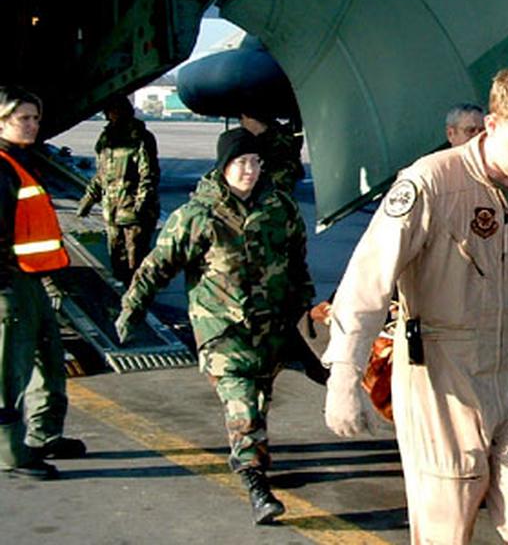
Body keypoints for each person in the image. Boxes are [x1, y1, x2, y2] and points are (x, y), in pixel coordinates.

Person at [322, 64, 508, 543]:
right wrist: (343, 374)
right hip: (441, 374)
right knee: (445, 528)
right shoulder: (432, 183)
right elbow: (367, 279)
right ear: (492, 126)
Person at [114, 128, 316, 524]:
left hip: (269, 334)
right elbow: (157, 266)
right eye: (241, 162)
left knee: (257, 401)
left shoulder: (280, 208)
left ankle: (254, 456)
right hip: (223, 334)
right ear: (223, 166)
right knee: (242, 406)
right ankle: (256, 483)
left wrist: (305, 309)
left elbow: (296, 263)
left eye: (256, 162)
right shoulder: (198, 217)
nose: (250, 170)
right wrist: (131, 310)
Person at [0, 86, 86, 481]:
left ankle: (45, 434)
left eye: (35, 118)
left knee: (48, 359)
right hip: (9, 283)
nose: (33, 125)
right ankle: (11, 455)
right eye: (24, 119)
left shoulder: (22, 161)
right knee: (8, 372)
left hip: (32, 279)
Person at [76, 95, 160, 285]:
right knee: (116, 257)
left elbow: (149, 176)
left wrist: (140, 207)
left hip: (133, 213)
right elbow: (102, 174)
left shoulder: (140, 138)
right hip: (112, 211)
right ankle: (122, 293)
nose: (112, 115)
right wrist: (88, 201)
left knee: (136, 259)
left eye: (115, 111)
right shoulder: (107, 138)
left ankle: (138, 298)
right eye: (109, 112)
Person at [239, 112, 304, 194]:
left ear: (252, 120)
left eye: (242, 119)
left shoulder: (279, 146)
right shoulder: (262, 141)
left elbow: (278, 195)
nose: (241, 123)